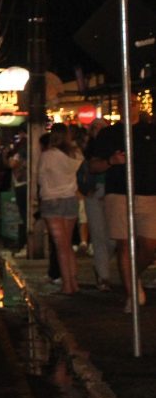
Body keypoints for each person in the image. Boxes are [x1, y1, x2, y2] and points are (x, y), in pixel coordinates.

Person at [88, 96, 156, 312]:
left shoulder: (150, 130)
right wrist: (111, 161)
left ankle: (132, 275)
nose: (130, 107)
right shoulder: (109, 134)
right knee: (124, 244)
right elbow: (93, 166)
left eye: (133, 103)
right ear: (119, 107)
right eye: (125, 103)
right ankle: (131, 294)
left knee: (150, 245)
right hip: (118, 193)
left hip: (147, 194)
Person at [35, 123, 83, 295]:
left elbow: (41, 178)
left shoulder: (48, 155)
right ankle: (74, 281)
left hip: (52, 200)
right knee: (67, 244)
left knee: (60, 245)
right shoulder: (75, 155)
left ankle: (67, 285)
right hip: (70, 199)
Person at [81, 118, 115, 290]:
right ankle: (103, 276)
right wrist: (86, 189)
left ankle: (102, 267)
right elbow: (81, 173)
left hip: (112, 192)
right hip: (94, 193)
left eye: (102, 127)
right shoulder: (88, 150)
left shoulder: (114, 147)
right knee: (98, 234)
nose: (99, 131)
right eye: (95, 128)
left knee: (113, 237)